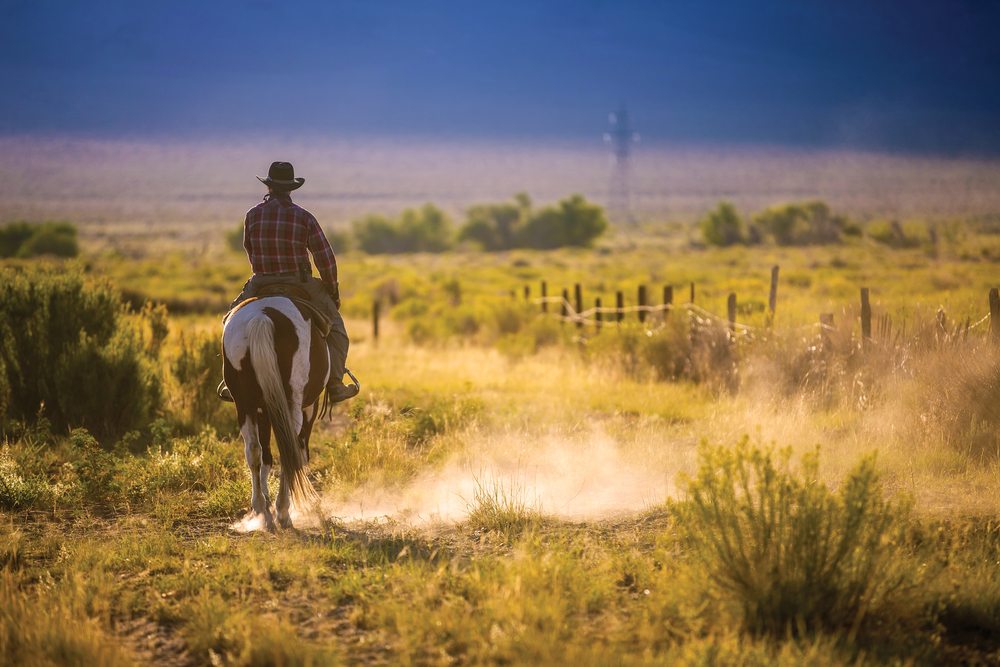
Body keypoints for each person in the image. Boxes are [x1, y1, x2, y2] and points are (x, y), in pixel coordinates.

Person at [218, 161, 357, 403]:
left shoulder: (252, 216)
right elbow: (325, 259)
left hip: (261, 282)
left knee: (229, 322)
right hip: (299, 282)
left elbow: (250, 251)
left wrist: (264, 270)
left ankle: (233, 381)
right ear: (291, 188)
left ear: (269, 186)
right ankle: (335, 383)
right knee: (337, 330)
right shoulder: (304, 218)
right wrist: (331, 291)